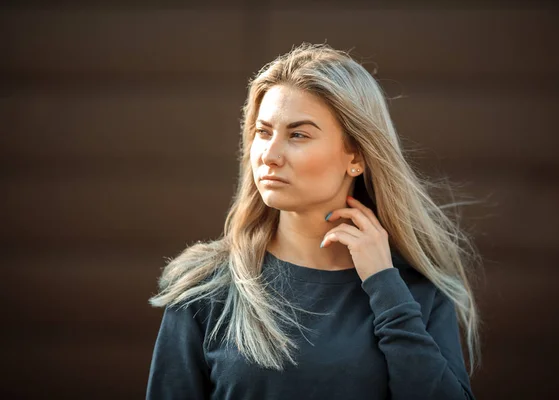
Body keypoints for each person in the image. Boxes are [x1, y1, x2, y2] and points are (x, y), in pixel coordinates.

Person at [146, 43, 482, 400]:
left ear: (356, 155)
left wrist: (386, 288)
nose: (270, 156)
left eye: (298, 135)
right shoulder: (205, 288)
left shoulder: (416, 292)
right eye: (263, 132)